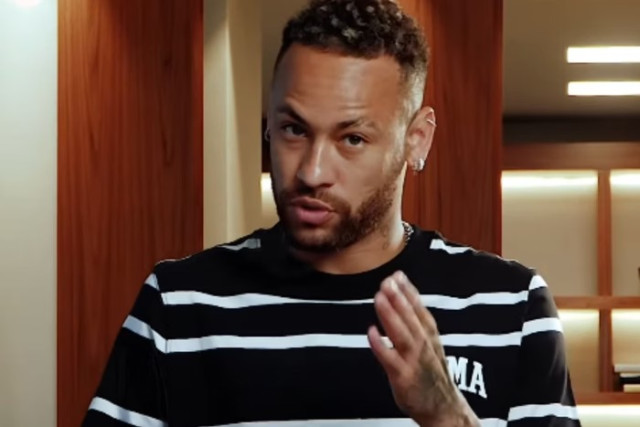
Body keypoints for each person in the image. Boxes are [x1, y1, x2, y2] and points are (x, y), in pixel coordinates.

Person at [83, 0, 581, 426]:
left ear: (417, 139)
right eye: (294, 130)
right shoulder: (178, 304)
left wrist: (448, 417)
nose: (312, 171)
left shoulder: (511, 306)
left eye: (353, 139)